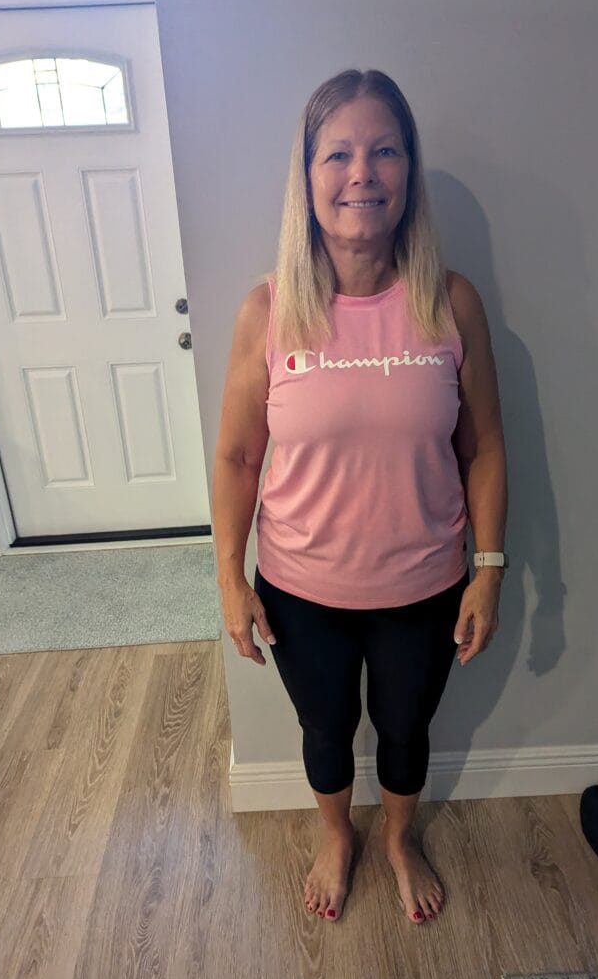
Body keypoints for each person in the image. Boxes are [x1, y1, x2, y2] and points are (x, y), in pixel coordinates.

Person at [212, 68, 508, 926]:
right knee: (324, 731)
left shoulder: (451, 304)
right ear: (306, 179)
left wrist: (486, 570)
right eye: (337, 153)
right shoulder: (266, 313)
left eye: (383, 151)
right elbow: (236, 457)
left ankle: (399, 837)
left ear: (407, 172)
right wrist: (230, 579)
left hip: (424, 587)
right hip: (302, 591)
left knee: (407, 732)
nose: (361, 173)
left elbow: (484, 446)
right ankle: (338, 834)